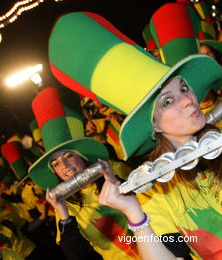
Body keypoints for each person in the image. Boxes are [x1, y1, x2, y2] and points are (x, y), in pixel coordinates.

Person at [48, 12, 222, 259]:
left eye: (183, 88)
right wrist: (136, 218)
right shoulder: (153, 194)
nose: (187, 100)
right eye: (167, 102)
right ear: (154, 126)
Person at [28, 86, 139, 260]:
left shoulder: (114, 169)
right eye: (56, 163)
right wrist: (63, 214)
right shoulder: (65, 203)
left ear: (82, 157)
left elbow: (154, 202)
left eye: (68, 156)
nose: (64, 165)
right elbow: (75, 255)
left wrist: (115, 181)